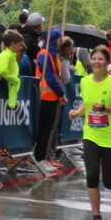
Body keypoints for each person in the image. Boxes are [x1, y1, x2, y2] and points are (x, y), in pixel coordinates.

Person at [68, 45, 111, 220]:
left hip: (110, 137)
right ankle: (96, 216)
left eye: (101, 59)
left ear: (107, 62)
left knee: (110, 183)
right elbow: (87, 105)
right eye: (94, 59)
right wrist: (76, 113)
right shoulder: (85, 82)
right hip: (91, 135)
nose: (96, 62)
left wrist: (104, 109)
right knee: (92, 175)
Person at [34, 27, 65, 167]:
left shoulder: (52, 55)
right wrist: (61, 92)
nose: (60, 42)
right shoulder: (44, 55)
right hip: (45, 97)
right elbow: (50, 77)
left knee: (47, 129)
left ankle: (43, 157)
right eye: (59, 39)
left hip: (51, 97)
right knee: (44, 129)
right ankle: (40, 158)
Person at [0, 29, 23, 108]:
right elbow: (1, 71)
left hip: (6, 92)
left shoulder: (10, 55)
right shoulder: (6, 56)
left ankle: (12, 105)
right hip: (0, 90)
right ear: (13, 44)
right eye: (20, 44)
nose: (21, 47)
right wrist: (14, 80)